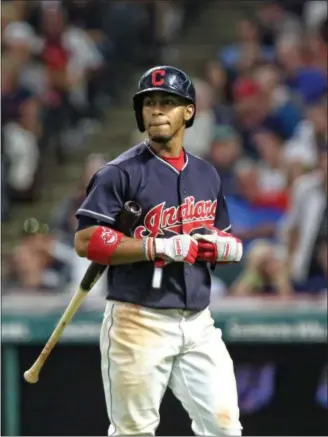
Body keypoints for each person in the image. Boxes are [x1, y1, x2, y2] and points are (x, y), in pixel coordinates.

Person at [74, 66, 243, 436]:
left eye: (168, 102)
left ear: (189, 111)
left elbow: (219, 237)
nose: (157, 110)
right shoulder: (119, 173)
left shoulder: (206, 174)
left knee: (225, 427)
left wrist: (221, 246)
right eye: (149, 103)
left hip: (198, 323)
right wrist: (156, 246)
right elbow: (86, 241)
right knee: (134, 431)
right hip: (139, 319)